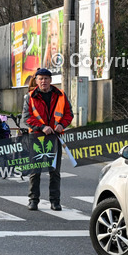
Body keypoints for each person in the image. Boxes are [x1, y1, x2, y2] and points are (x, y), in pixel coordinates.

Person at [22, 67, 74, 211]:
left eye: (46, 78)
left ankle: (55, 201)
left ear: (51, 80)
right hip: (36, 137)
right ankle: (33, 200)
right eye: (41, 79)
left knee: (54, 171)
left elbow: (69, 114)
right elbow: (26, 118)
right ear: (36, 81)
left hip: (54, 137)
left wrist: (62, 124)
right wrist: (42, 127)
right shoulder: (30, 97)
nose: (43, 81)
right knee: (35, 171)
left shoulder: (61, 95)